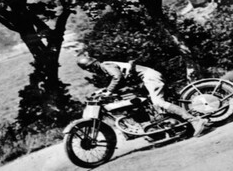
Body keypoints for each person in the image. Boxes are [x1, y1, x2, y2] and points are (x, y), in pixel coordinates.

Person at [77, 56, 207, 137]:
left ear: (91, 66)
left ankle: (195, 120)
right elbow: (119, 80)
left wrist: (109, 91)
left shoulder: (106, 65)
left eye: (90, 68)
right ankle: (158, 131)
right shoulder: (105, 68)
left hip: (148, 76)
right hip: (145, 78)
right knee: (142, 103)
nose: (91, 70)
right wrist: (104, 91)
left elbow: (117, 77)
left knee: (158, 102)